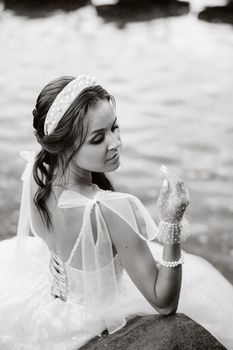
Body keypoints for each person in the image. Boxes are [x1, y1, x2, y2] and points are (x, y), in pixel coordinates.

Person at [0, 75, 232, 350]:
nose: (116, 142)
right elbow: (164, 302)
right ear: (63, 145)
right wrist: (171, 222)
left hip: (50, 306)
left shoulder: (36, 177)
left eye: (115, 127)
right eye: (98, 138)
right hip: (98, 317)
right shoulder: (111, 208)